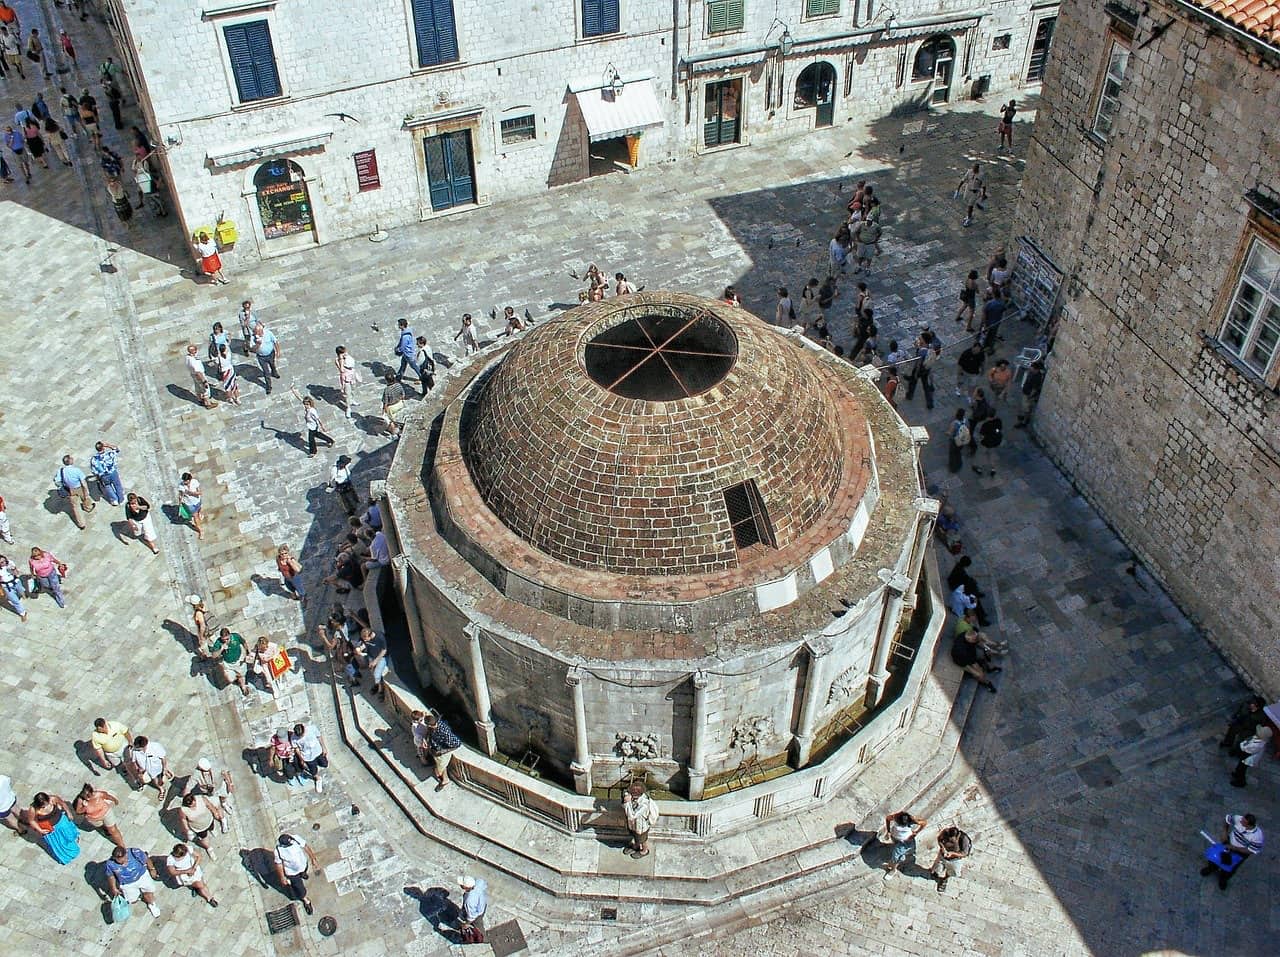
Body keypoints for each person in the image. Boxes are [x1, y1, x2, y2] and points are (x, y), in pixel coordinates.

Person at [1201, 813, 1263, 890]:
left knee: (1230, 867)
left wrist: (1234, 848)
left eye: (1243, 821)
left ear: (1249, 825)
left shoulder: (1257, 837)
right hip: (1228, 843)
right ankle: (1211, 868)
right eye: (1242, 819)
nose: (1240, 821)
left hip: (1240, 852)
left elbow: (1251, 850)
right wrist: (1224, 832)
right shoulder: (1238, 818)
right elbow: (1227, 819)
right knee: (1216, 857)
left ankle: (1223, 879)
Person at [21, 792, 80, 864]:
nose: (45, 807)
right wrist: (40, 830)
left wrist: (68, 812)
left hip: (61, 821)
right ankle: (67, 853)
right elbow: (32, 820)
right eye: (42, 806)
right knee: (60, 843)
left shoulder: (53, 799)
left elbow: (63, 804)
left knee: (70, 835)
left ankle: (74, 841)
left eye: (46, 804)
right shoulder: (33, 809)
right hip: (51, 829)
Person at [104, 845, 162, 917]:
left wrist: (152, 869)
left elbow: (146, 859)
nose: (122, 862)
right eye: (118, 861)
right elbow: (110, 875)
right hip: (127, 884)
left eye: (123, 859)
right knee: (133, 900)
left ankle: (151, 904)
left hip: (142, 877)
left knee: (148, 893)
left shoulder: (135, 852)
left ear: (126, 854)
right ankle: (139, 896)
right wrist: (114, 888)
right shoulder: (110, 864)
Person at [273, 833, 319, 914]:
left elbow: (305, 846)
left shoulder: (296, 838)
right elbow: (279, 865)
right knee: (299, 887)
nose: (292, 842)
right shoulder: (278, 851)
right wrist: (282, 877)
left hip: (303, 865)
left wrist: (313, 858)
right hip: (292, 872)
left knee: (304, 871)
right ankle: (305, 900)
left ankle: (302, 874)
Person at [182, 757, 234, 824]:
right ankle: (224, 820)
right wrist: (186, 799)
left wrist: (230, 784)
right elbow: (188, 787)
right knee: (217, 806)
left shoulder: (216, 765)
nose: (207, 772)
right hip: (210, 792)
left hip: (220, 786)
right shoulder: (196, 774)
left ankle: (224, 804)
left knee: (224, 796)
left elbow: (225, 772)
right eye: (204, 771)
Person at [73, 783, 125, 848]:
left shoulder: (99, 794)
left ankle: (121, 845)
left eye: (89, 795)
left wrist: (115, 800)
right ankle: (106, 829)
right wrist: (85, 807)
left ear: (92, 793)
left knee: (113, 830)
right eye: (85, 796)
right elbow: (78, 811)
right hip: (94, 819)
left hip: (106, 813)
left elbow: (108, 796)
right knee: (102, 826)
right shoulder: (81, 800)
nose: (87, 798)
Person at [951, 626, 998, 693]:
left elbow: (979, 641)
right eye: (975, 639)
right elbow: (970, 663)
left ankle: (988, 669)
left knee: (982, 657)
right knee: (979, 674)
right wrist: (977, 669)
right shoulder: (962, 651)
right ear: (971, 640)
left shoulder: (968, 635)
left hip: (970, 655)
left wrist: (986, 647)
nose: (977, 640)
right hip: (962, 661)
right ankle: (987, 683)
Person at [881, 810, 927, 879]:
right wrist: (888, 831)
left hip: (905, 842)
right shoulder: (896, 817)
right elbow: (888, 818)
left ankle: (893, 870)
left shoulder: (912, 820)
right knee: (898, 853)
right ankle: (901, 856)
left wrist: (916, 832)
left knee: (895, 856)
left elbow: (924, 823)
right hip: (895, 837)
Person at [55, 454, 95, 529]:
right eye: (71, 458)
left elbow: (57, 481)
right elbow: (83, 482)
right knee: (85, 497)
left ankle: (81, 524)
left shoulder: (61, 471)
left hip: (69, 490)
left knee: (75, 507)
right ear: (70, 461)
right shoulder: (76, 470)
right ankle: (88, 507)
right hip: (79, 487)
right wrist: (86, 490)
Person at [177, 792, 224, 857]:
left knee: (212, 827)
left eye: (193, 804)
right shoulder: (183, 810)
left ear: (194, 800)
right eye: (189, 805)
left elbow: (209, 805)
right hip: (199, 828)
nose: (192, 806)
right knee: (204, 839)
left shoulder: (201, 798)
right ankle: (208, 848)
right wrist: (187, 830)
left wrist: (214, 812)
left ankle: (212, 830)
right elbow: (183, 819)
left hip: (209, 820)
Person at [423, 713, 461, 792]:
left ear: (429, 725)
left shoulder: (444, 731)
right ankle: (445, 779)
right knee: (440, 767)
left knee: (439, 770)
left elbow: (457, 744)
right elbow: (429, 732)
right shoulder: (433, 725)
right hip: (435, 749)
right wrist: (425, 739)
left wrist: (442, 751)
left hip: (441, 751)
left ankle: (444, 780)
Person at [127, 735, 171, 801]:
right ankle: (161, 789)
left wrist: (164, 768)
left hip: (157, 767)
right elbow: (134, 761)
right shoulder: (134, 751)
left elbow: (163, 758)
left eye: (138, 748)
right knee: (149, 780)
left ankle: (162, 783)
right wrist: (138, 769)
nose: (136, 748)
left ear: (143, 746)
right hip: (146, 770)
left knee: (159, 779)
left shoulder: (155, 746)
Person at [622, 781, 659, 858]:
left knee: (642, 839)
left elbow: (632, 816)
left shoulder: (644, 804)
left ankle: (644, 851)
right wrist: (626, 795)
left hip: (641, 826)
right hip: (634, 825)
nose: (630, 795)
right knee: (635, 836)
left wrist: (627, 803)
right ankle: (636, 846)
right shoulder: (634, 797)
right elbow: (625, 793)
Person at [931, 825, 972, 893]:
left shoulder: (964, 839)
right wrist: (942, 848)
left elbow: (964, 853)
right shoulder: (945, 832)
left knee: (952, 871)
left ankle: (945, 879)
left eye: (951, 840)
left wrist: (952, 854)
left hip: (955, 860)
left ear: (957, 837)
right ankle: (935, 873)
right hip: (942, 856)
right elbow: (939, 839)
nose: (949, 841)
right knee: (937, 867)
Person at [290, 723, 329, 793]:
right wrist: (301, 759)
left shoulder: (312, 728)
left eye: (302, 735)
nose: (301, 737)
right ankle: (317, 779)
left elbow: (319, 737)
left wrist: (324, 747)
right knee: (313, 770)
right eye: (299, 736)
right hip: (308, 756)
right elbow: (296, 749)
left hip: (318, 751)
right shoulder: (293, 737)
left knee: (325, 764)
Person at [89, 441, 125, 507]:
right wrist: (108, 445)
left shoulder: (93, 459)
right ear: (103, 448)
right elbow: (117, 449)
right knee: (117, 485)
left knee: (108, 486)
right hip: (113, 472)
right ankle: (121, 499)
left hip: (103, 476)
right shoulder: (109, 454)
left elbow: (94, 471)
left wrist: (98, 475)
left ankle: (114, 499)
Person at [183, 344, 217, 409]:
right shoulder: (193, 361)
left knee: (198, 387)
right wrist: (204, 381)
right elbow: (198, 372)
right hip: (199, 375)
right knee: (205, 390)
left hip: (193, 374)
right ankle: (208, 404)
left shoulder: (188, 357)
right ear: (194, 351)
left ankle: (200, 399)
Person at [457, 875, 489, 941]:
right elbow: (485, 885)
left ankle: (483, 939)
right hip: (483, 904)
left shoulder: (469, 901)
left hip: (478, 914)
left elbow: (472, 916)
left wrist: (466, 924)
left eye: (462, 884)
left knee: (479, 926)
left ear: (465, 887)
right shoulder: (479, 882)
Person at [251, 321, 281, 390]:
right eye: (255, 332)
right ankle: (268, 386)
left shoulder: (268, 333)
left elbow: (275, 341)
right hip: (261, 357)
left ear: (261, 331)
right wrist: (258, 344)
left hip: (271, 354)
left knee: (272, 364)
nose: (257, 334)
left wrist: (278, 351)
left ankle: (274, 372)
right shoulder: (253, 338)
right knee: (266, 372)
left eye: (258, 332)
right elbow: (252, 349)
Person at [1015, 361, 1045, 427]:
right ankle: (1023, 417)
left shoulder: (1037, 377)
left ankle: (1024, 421)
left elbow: (1034, 389)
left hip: (1029, 395)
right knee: (1025, 407)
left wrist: (1030, 396)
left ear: (1036, 369)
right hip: (1026, 392)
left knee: (1027, 409)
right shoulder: (1032, 372)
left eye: (1032, 367)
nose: (1030, 368)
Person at [957, 163, 987, 227]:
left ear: (977, 169)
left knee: (970, 206)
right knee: (965, 200)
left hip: (975, 192)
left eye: (975, 168)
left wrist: (983, 194)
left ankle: (969, 218)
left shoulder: (981, 175)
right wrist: (958, 189)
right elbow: (963, 180)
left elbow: (984, 186)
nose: (973, 170)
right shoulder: (969, 172)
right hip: (968, 190)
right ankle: (970, 213)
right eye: (973, 168)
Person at [0, 554, 26, 621]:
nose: (4, 563)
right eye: (1, 562)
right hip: (7, 586)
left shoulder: (10, 563)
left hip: (16, 582)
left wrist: (13, 569)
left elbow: (17, 573)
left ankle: (23, 595)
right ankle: (22, 613)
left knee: (21, 590)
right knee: (15, 600)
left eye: (4, 561)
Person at [334, 345, 358, 417]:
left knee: (353, 389)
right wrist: (341, 360)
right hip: (346, 377)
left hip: (352, 375)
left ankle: (352, 400)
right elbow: (341, 369)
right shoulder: (338, 360)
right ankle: (348, 408)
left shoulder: (347, 357)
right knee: (347, 393)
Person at [178, 472, 204, 539]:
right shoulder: (181, 486)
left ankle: (200, 514)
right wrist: (180, 503)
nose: (184, 482)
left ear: (189, 480)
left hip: (197, 501)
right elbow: (180, 495)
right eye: (184, 480)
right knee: (195, 516)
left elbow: (200, 492)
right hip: (189, 504)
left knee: (199, 509)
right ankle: (201, 530)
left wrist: (192, 493)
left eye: (186, 481)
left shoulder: (194, 482)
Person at [381, 371, 406, 437]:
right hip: (400, 404)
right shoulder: (398, 385)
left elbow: (385, 402)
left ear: (386, 380)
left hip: (391, 407)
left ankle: (394, 432)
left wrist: (384, 411)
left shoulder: (387, 390)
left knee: (390, 420)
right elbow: (403, 395)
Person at [947, 408, 969, 474]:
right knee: (958, 452)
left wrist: (947, 433)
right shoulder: (966, 421)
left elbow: (950, 433)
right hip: (963, 440)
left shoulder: (954, 423)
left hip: (955, 440)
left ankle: (953, 467)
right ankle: (959, 464)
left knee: (952, 453)